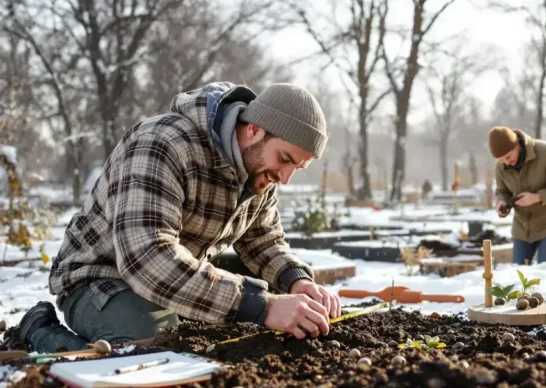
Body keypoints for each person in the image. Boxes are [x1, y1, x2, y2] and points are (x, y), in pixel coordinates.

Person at [19, 82, 342, 353]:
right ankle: (39, 330)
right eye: (284, 159)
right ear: (254, 130)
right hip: (102, 278)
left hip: (176, 271)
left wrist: (296, 281)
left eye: (296, 169)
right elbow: (146, 257)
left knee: (267, 289)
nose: (285, 178)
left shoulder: (261, 170)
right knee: (155, 347)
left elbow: (264, 240)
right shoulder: (162, 145)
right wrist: (265, 306)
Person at [490, 126, 546, 265]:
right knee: (518, 272)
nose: (506, 163)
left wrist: (537, 197)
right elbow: (502, 191)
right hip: (522, 227)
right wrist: (503, 202)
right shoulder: (501, 167)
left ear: (517, 145)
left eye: (508, 157)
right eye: (501, 160)